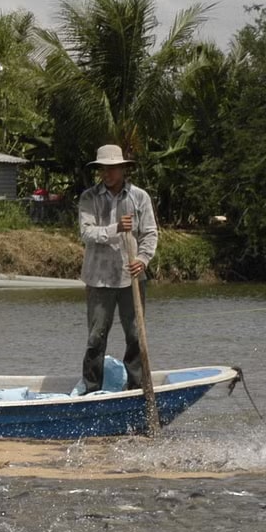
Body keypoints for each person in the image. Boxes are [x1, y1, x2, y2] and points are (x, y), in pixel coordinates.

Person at [78, 144, 158, 393]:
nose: (108, 174)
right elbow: (86, 233)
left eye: (113, 168)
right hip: (99, 278)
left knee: (135, 336)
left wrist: (143, 259)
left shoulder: (139, 197)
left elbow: (150, 233)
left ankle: (136, 388)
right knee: (96, 338)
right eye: (104, 169)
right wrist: (115, 228)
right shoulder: (89, 198)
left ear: (123, 169)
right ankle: (92, 390)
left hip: (130, 277)